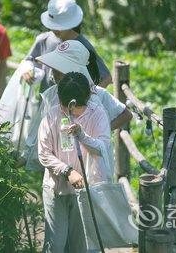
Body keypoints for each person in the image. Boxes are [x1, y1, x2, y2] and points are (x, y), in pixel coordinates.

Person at [23, 40, 132, 170]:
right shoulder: (51, 95)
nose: (54, 73)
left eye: (59, 69)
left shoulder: (98, 95)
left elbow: (126, 114)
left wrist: (101, 129)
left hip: (93, 161)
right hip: (61, 160)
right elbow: (43, 131)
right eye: (54, 68)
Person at [38, 72, 112, 253]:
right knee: (55, 245)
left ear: (87, 98)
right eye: (65, 106)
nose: (70, 112)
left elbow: (103, 148)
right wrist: (67, 171)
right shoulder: (52, 115)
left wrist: (83, 136)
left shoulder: (97, 114)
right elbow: (43, 152)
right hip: (56, 188)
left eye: (75, 107)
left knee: (79, 246)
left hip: (85, 190)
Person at [22, 0, 112, 91]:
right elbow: (30, 59)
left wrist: (87, 99)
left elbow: (106, 78)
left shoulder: (83, 47)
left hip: (72, 104)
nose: (55, 29)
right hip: (47, 103)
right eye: (53, 25)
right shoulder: (44, 40)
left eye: (59, 26)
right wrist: (28, 68)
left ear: (71, 23)